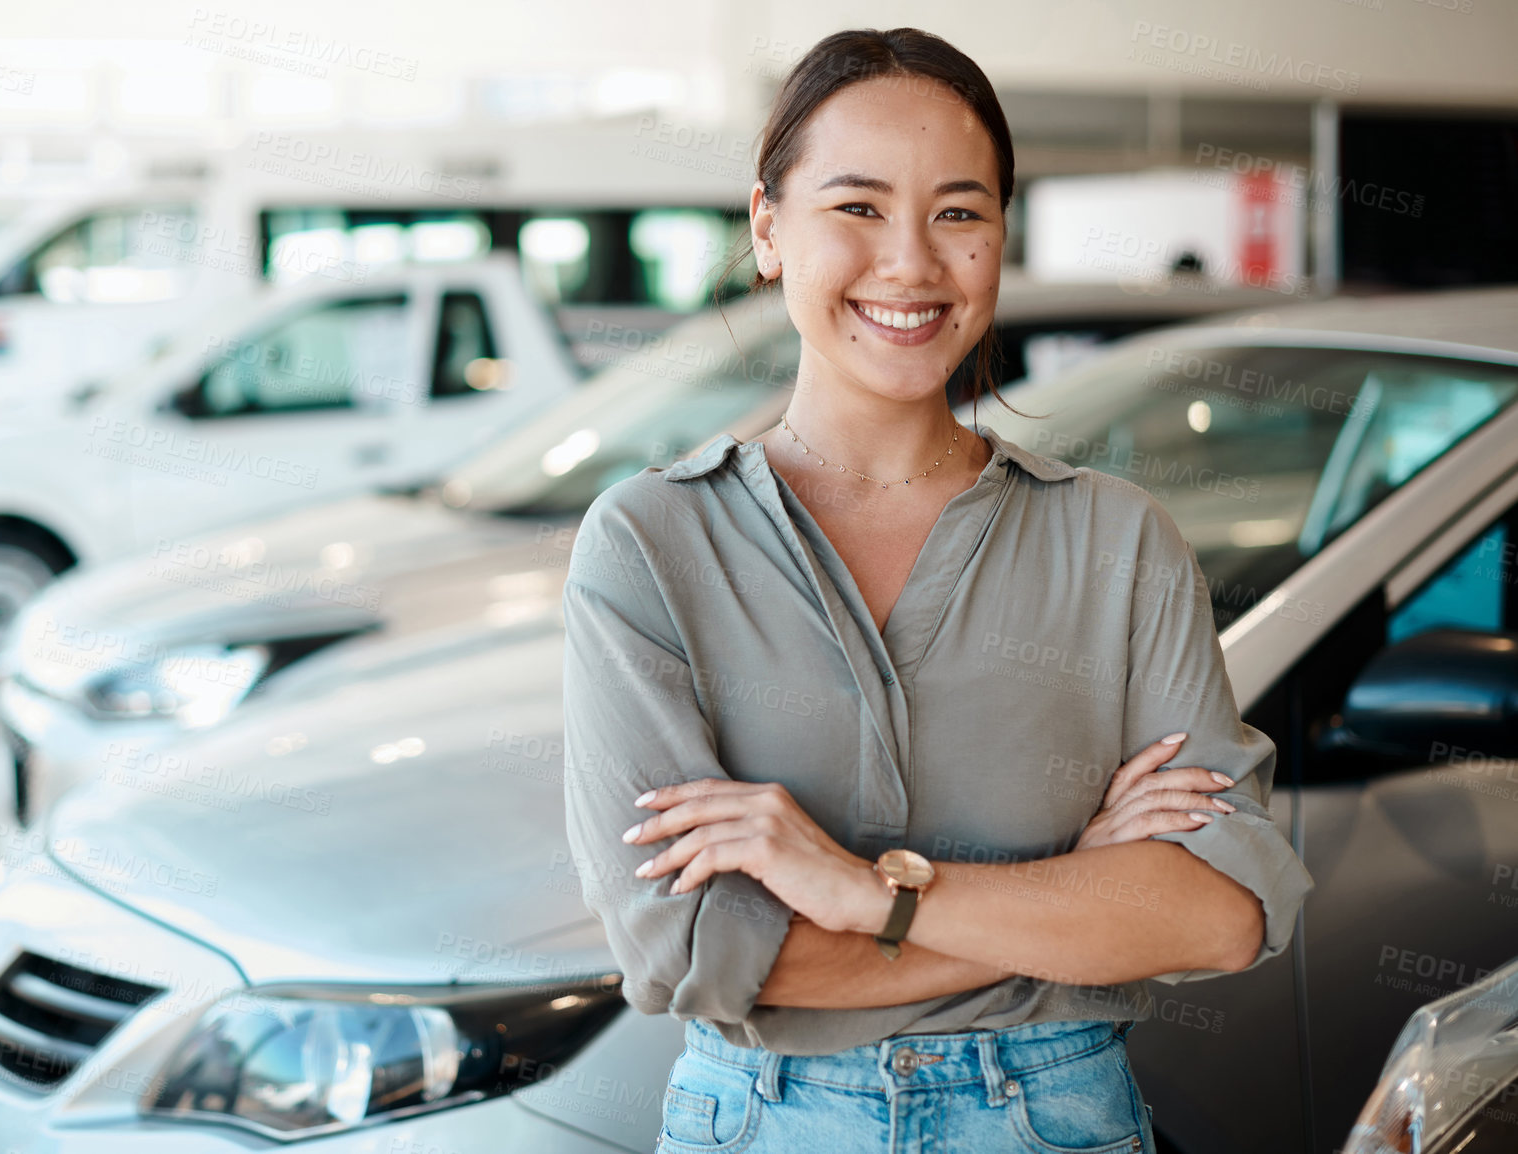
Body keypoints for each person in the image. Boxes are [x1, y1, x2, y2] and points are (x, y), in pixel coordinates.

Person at [561, 26, 1314, 1154]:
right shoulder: (651, 543)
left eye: (958, 212)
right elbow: (683, 952)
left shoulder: (1116, 539)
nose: (910, 264)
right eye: (856, 208)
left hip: (1054, 1118)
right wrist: (1086, 893)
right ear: (768, 228)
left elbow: (1219, 912)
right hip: (764, 1121)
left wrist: (868, 892)